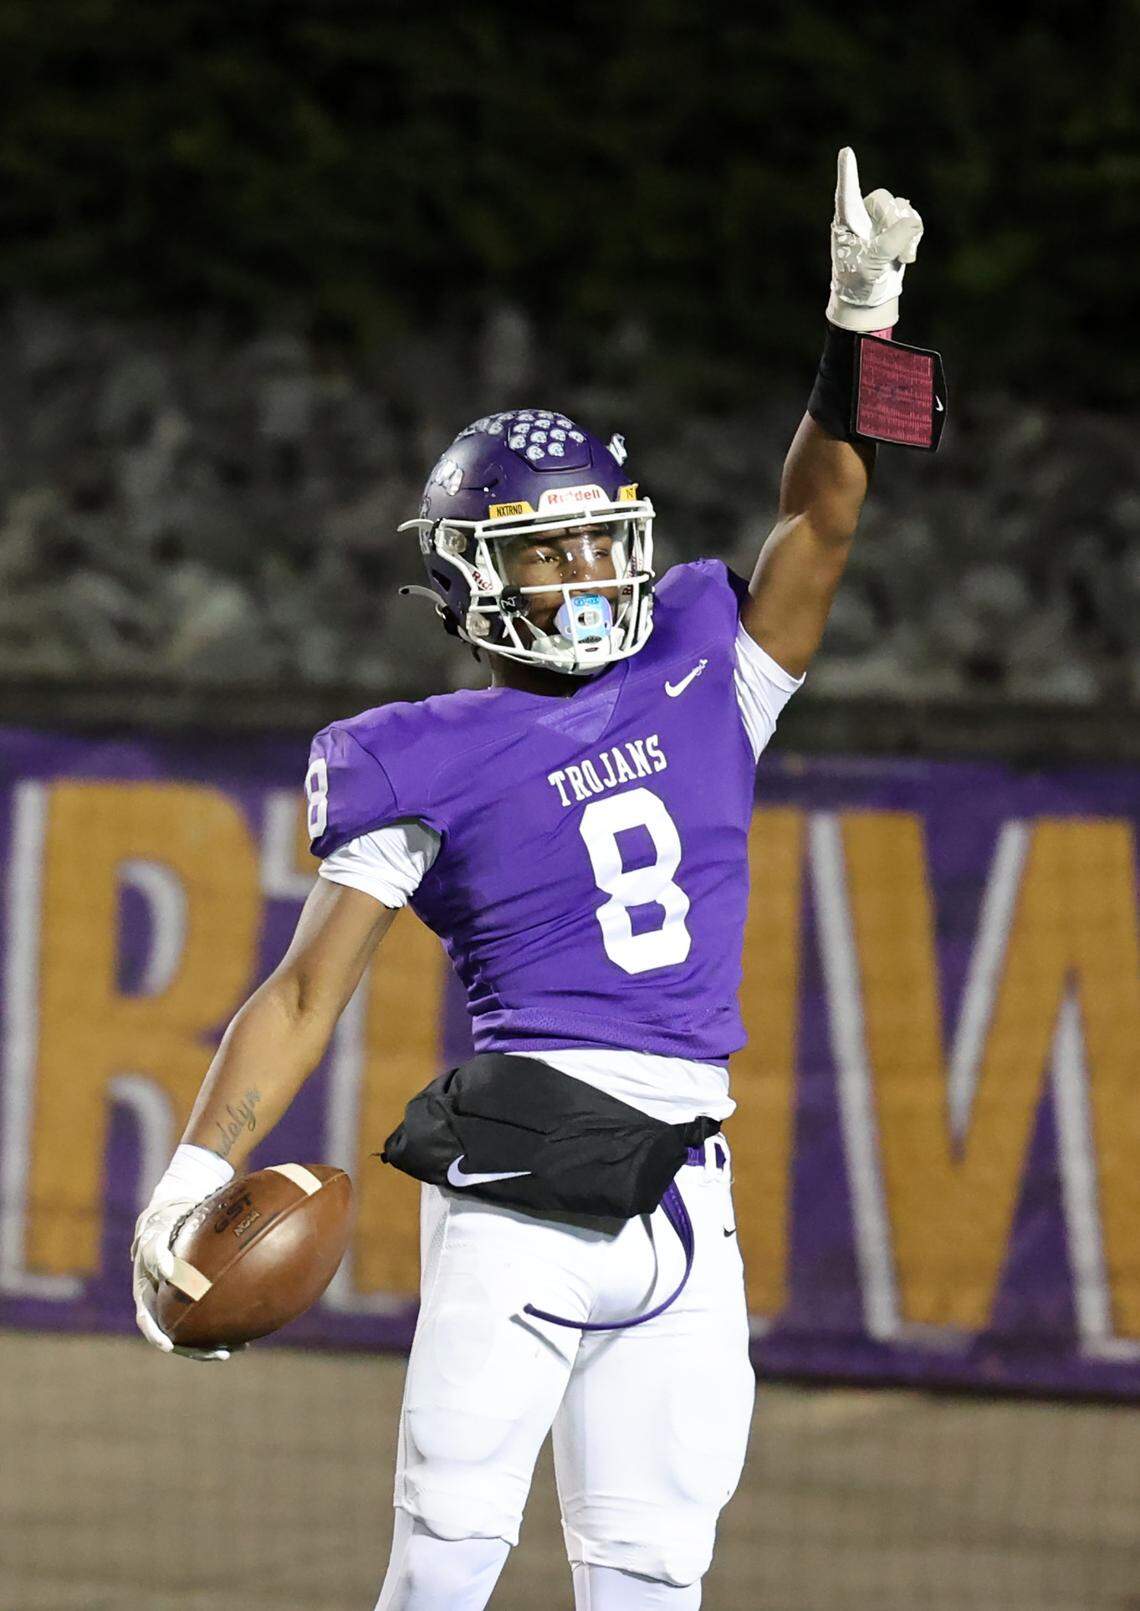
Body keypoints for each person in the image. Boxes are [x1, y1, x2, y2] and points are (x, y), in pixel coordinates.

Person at [132, 148, 935, 1610]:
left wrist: (861, 333)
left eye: (592, 535)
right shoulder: (409, 757)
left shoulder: (709, 658)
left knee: (652, 1577)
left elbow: (824, 517)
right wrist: (189, 1173)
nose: (582, 568)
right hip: (518, 1199)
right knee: (445, 1564)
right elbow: (307, 988)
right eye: (543, 546)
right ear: (468, 578)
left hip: (693, 1191)